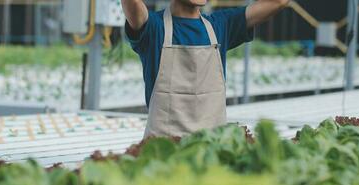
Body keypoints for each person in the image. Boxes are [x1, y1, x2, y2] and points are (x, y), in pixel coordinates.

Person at [122, 0, 289, 137]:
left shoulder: (221, 26)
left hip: (211, 155)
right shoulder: (153, 28)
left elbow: (279, 2)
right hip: (165, 156)